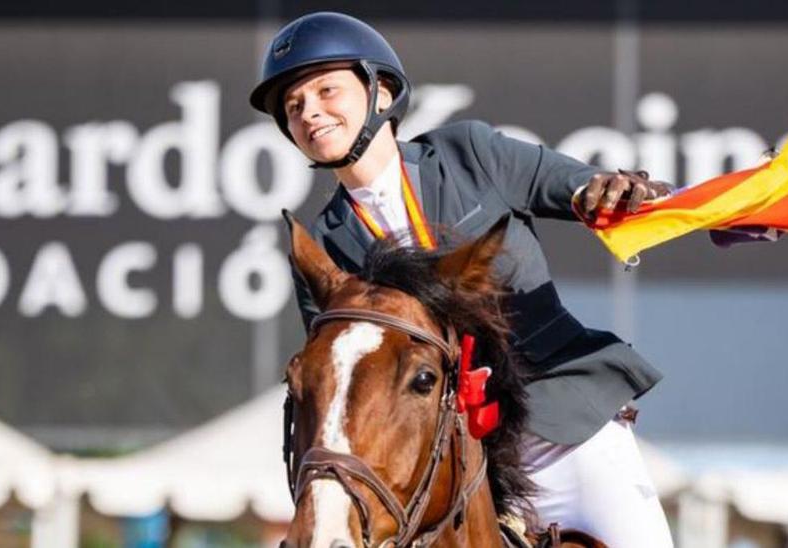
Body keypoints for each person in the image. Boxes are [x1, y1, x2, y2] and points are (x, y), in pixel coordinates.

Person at [249, 12, 675, 547]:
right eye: (293, 107)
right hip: (451, 465)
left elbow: (569, 183)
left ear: (380, 92)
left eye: (326, 90)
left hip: (568, 433)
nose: (309, 112)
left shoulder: (469, 154)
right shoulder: (326, 245)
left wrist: (608, 190)